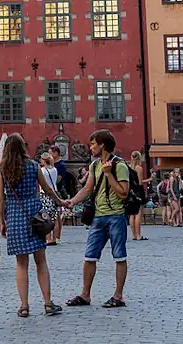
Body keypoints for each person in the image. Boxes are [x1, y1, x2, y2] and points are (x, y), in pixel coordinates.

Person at [0, 132, 66, 317]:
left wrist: (2, 222)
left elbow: (0, 199)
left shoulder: (3, 168)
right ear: (23, 147)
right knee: (41, 260)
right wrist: (60, 201)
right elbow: (47, 189)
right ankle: (48, 303)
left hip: (15, 216)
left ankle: (24, 306)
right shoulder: (34, 166)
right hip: (34, 215)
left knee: (21, 264)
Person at [66, 130, 130, 310]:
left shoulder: (120, 166)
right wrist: (72, 201)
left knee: (119, 256)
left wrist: (109, 174)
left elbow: (123, 193)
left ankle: (118, 296)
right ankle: (85, 295)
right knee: (89, 256)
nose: (91, 147)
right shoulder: (94, 165)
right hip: (98, 217)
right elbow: (87, 189)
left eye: (93, 144)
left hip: (116, 216)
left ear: (102, 145)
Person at [39, 153, 61, 245]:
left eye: (41, 159)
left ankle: (48, 239)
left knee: (46, 218)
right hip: (54, 194)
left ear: (44, 160)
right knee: (55, 218)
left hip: (45, 194)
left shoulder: (42, 170)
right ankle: (54, 238)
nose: (40, 161)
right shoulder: (54, 169)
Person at [127, 151, 147, 241]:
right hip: (138, 191)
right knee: (138, 213)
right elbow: (140, 182)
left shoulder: (128, 167)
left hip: (130, 192)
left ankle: (134, 235)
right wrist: (149, 179)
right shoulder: (139, 168)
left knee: (132, 214)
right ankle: (139, 235)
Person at [49, 146, 68, 243]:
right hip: (54, 190)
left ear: (56, 153)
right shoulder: (52, 164)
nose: (49, 155)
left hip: (57, 191)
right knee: (57, 215)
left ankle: (56, 236)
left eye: (50, 153)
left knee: (57, 215)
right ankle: (56, 236)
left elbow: (58, 179)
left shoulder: (61, 165)